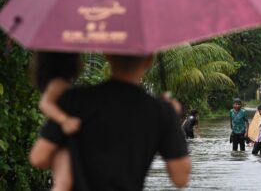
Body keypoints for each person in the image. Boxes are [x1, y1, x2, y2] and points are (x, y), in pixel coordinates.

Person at [29, 54, 191, 190]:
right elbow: (180, 178)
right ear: (149, 60)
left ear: (108, 56)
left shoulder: (75, 100)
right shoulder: (161, 111)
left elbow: (38, 157)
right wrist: (172, 118)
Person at [32, 52, 82, 191]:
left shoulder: (57, 82)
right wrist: (64, 120)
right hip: (61, 136)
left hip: (60, 137)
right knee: (63, 183)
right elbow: (44, 104)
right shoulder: (59, 83)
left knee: (62, 181)